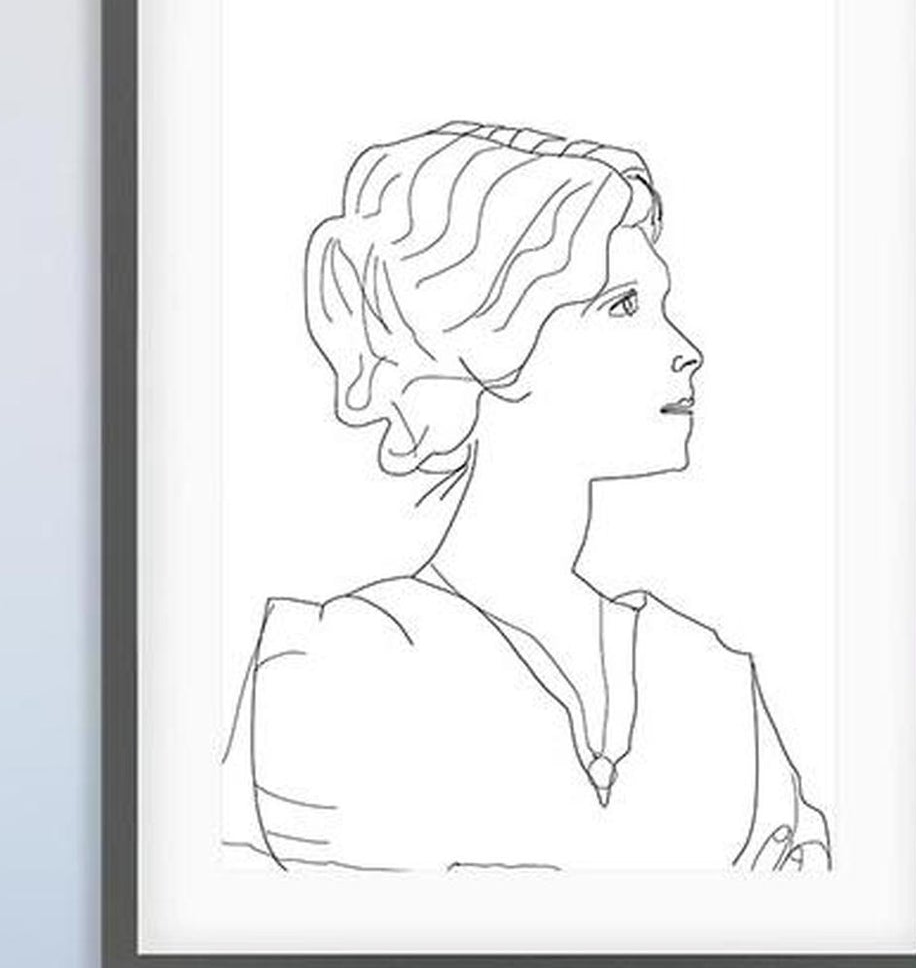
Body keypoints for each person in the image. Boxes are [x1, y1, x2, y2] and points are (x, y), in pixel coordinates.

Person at [224, 121, 830, 875]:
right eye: (622, 306)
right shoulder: (338, 667)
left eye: (660, 304)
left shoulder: (708, 679)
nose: (685, 348)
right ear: (487, 342)